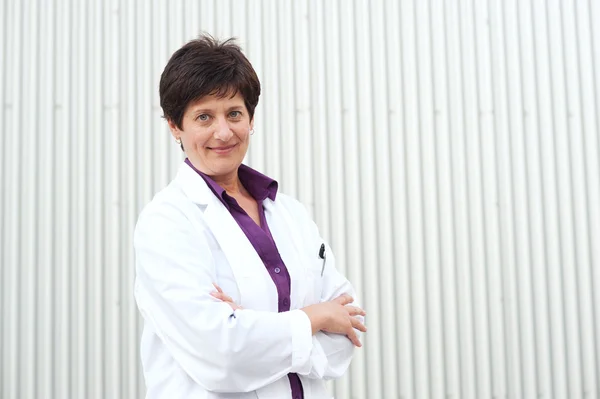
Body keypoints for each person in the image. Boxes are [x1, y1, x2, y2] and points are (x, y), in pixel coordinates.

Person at [134, 34, 366, 399]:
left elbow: (347, 333)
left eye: (234, 113)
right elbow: (223, 355)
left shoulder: (289, 212)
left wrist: (251, 326)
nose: (223, 132)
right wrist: (313, 318)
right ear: (175, 126)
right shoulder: (166, 222)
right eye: (204, 117)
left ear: (251, 118)